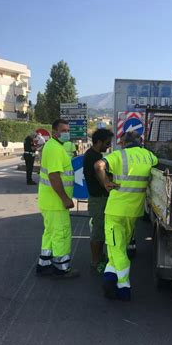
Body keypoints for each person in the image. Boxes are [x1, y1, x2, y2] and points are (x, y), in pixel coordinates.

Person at [95, 131, 158, 301]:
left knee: (118, 250)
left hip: (115, 210)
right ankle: (109, 280)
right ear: (141, 141)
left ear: (123, 143)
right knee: (117, 248)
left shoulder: (118, 155)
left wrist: (106, 182)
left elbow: (98, 165)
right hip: (134, 212)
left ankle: (123, 287)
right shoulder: (150, 156)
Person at [36, 119, 79, 279]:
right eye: (64, 130)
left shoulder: (55, 146)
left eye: (68, 130)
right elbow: (54, 176)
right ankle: (61, 268)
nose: (67, 133)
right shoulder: (54, 148)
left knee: (50, 232)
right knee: (61, 233)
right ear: (55, 132)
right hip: (56, 202)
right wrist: (65, 198)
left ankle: (44, 263)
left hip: (49, 201)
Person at [83, 128, 113, 273]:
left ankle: (99, 257)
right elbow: (102, 180)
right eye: (107, 143)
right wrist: (111, 185)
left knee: (100, 230)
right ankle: (95, 261)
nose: (109, 146)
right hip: (98, 199)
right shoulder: (93, 157)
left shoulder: (94, 154)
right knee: (98, 230)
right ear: (99, 142)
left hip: (99, 198)